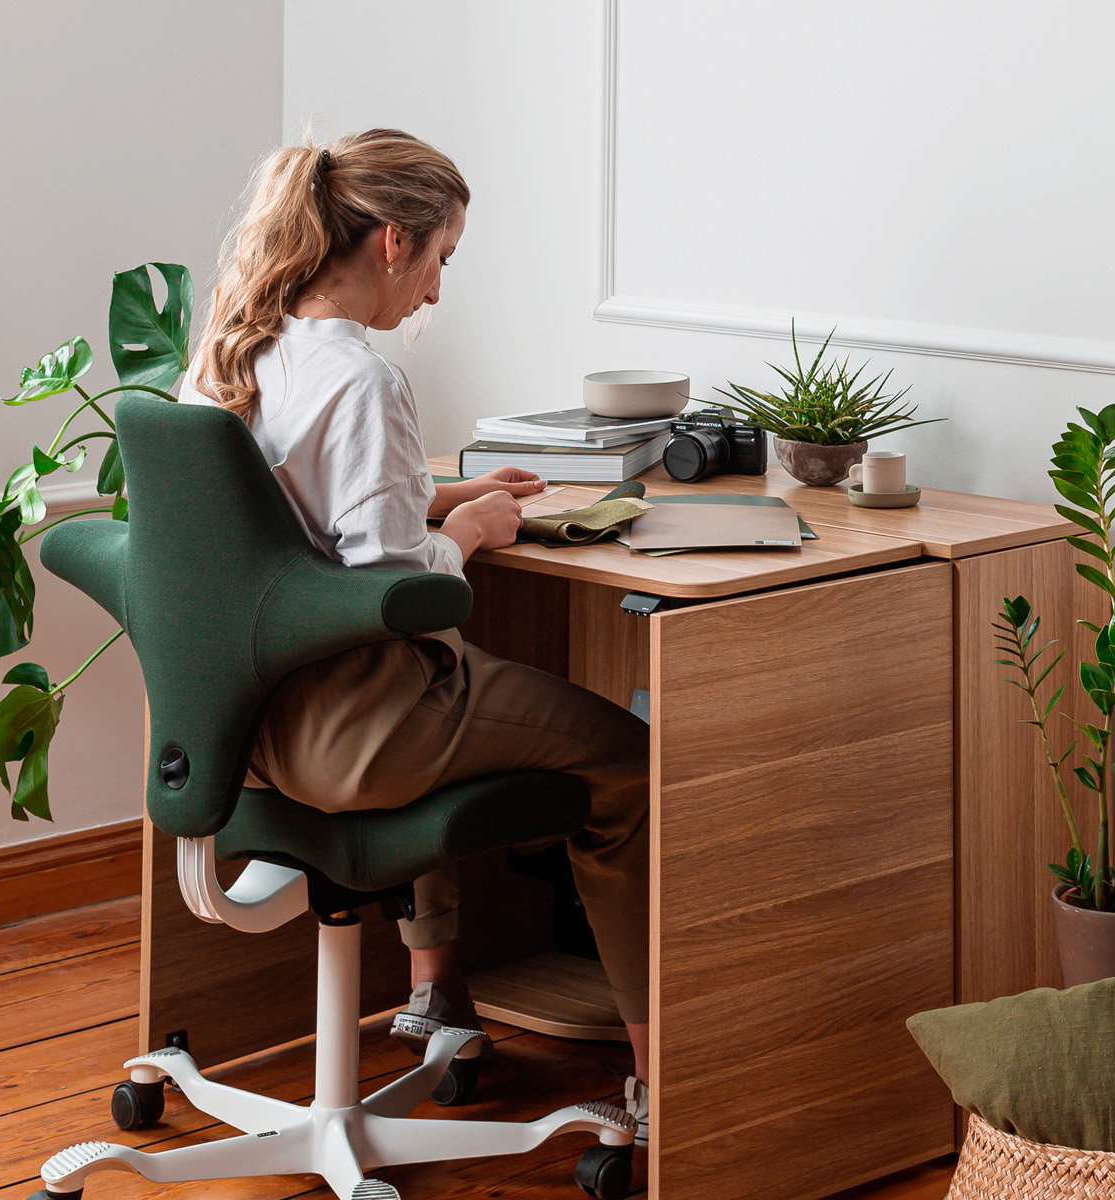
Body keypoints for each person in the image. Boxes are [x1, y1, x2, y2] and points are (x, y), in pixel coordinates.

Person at [178, 128, 650, 1139]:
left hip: (246, 727)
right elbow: (395, 594)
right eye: (440, 259)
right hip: (360, 733)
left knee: (468, 688)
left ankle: (436, 989)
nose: (435, 291)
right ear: (392, 242)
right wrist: (470, 532)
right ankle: (668, 1073)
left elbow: (285, 518)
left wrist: (440, 490)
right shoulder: (363, 380)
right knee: (629, 762)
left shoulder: (237, 349)